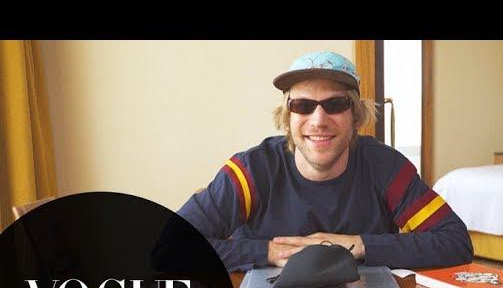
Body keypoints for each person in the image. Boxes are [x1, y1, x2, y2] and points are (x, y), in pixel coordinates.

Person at [178, 51, 473, 272]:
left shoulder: (387, 167)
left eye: (335, 104)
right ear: (287, 117)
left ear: (356, 116)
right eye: (303, 105)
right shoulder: (251, 170)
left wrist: (356, 245)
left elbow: (456, 241)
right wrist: (268, 252)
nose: (319, 120)